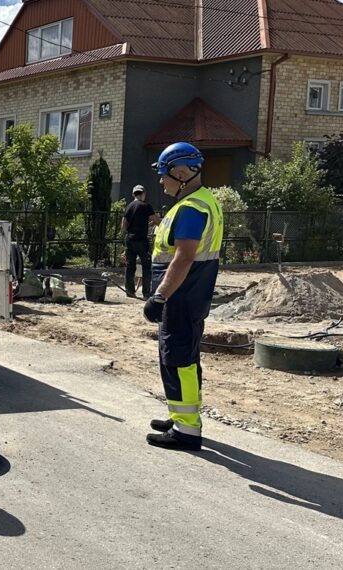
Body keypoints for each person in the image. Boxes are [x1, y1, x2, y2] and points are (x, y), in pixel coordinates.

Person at [143, 142, 223, 451]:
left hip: (180, 295)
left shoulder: (191, 208)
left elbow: (184, 257)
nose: (161, 180)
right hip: (190, 295)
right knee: (184, 357)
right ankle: (181, 417)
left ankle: (186, 430)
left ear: (180, 173)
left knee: (177, 359)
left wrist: (160, 296)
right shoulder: (201, 201)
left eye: (164, 174)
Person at [121, 185, 160, 297]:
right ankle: (146, 292)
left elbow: (123, 226)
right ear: (144, 194)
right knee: (146, 266)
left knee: (130, 266)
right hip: (142, 240)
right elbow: (157, 221)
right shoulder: (146, 206)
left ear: (133, 194)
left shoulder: (129, 207)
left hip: (130, 239)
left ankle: (130, 291)